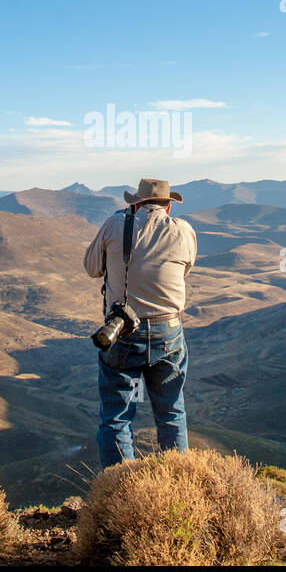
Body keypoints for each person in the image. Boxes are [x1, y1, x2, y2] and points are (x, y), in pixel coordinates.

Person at [83, 178, 197, 468]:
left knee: (117, 417)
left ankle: (119, 491)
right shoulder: (184, 231)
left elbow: (92, 268)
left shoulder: (114, 224)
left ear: (135, 203)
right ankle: (180, 487)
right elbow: (185, 269)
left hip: (122, 333)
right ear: (168, 205)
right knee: (171, 412)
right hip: (168, 332)